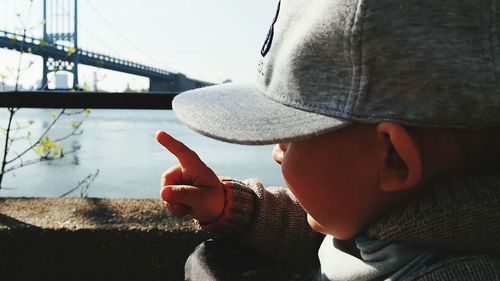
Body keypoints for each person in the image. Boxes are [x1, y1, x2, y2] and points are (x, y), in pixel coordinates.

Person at [156, 0, 500, 280]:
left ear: (394, 156)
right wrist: (233, 207)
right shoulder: (387, 219)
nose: (277, 150)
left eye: (294, 135)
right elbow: (325, 236)